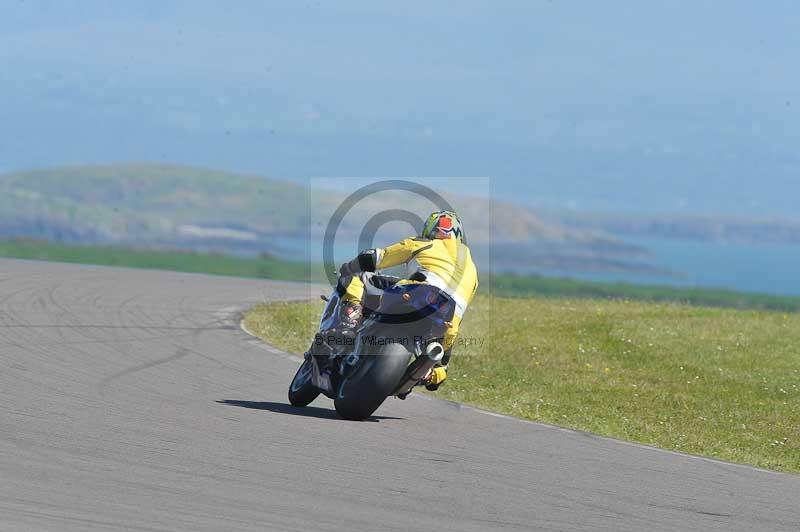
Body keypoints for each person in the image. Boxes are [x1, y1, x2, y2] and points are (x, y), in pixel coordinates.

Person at [334, 210, 478, 391]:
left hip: (418, 293)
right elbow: (462, 309)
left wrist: (350, 266)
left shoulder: (426, 243)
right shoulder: (472, 268)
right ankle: (430, 372)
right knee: (440, 368)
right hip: (448, 318)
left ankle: (353, 314)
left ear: (430, 229)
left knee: (358, 278)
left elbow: (377, 257)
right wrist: (443, 362)